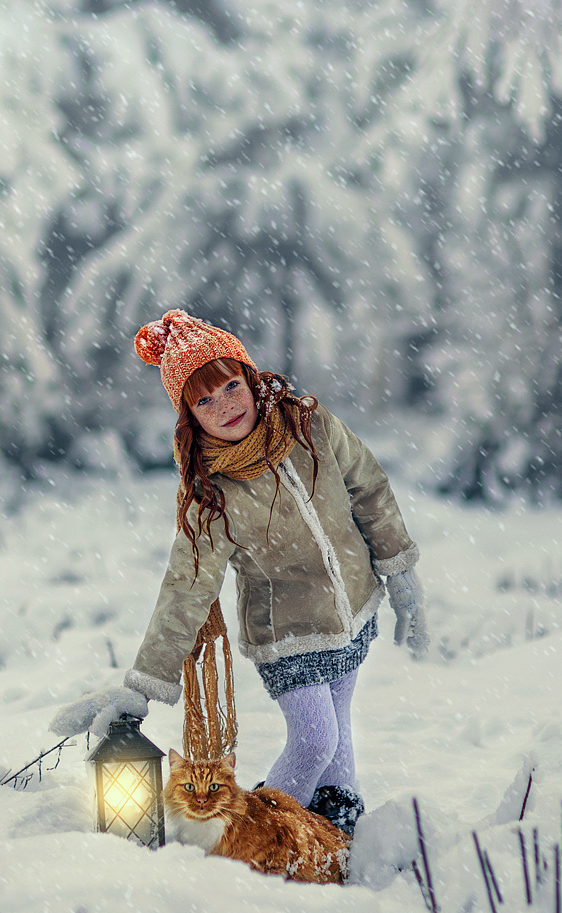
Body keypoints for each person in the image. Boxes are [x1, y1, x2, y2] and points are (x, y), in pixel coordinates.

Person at [50, 309, 428, 836]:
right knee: (315, 739)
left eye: (229, 385)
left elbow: (370, 489)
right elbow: (186, 589)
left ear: (250, 379)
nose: (224, 405)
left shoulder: (309, 425)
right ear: (189, 417)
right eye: (203, 400)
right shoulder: (211, 496)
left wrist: (400, 575)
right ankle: (250, 837)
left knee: (339, 734)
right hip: (286, 632)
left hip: (353, 610)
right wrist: (145, 684)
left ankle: (336, 829)